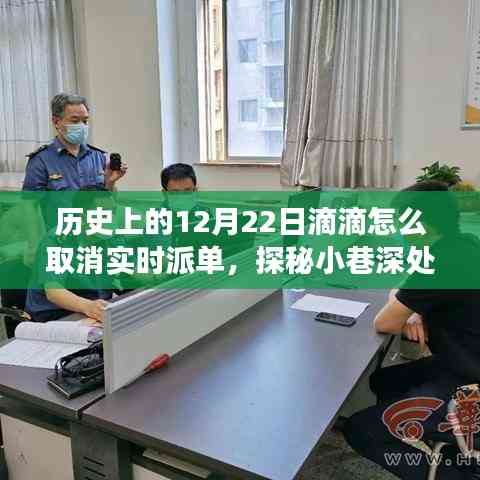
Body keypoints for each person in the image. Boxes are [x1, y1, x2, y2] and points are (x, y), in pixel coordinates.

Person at [343, 180, 480, 479]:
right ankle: (448, 444)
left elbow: (385, 322)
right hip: (461, 364)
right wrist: (416, 310)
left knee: (361, 430)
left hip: (468, 385)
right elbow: (408, 288)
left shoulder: (440, 261)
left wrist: (408, 309)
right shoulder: (464, 244)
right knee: (383, 380)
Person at [25, 187, 118, 323]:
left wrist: (150, 279)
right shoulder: (57, 240)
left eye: (113, 212)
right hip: (53, 314)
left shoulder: (108, 238)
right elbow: (54, 291)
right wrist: (88, 306)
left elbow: (130, 271)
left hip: (90, 309)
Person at [23, 93, 127, 192]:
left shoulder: (98, 157)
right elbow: (31, 203)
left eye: (85, 121)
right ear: (56, 122)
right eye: (75, 121)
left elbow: (107, 202)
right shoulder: (40, 160)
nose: (82, 126)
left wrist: (110, 182)